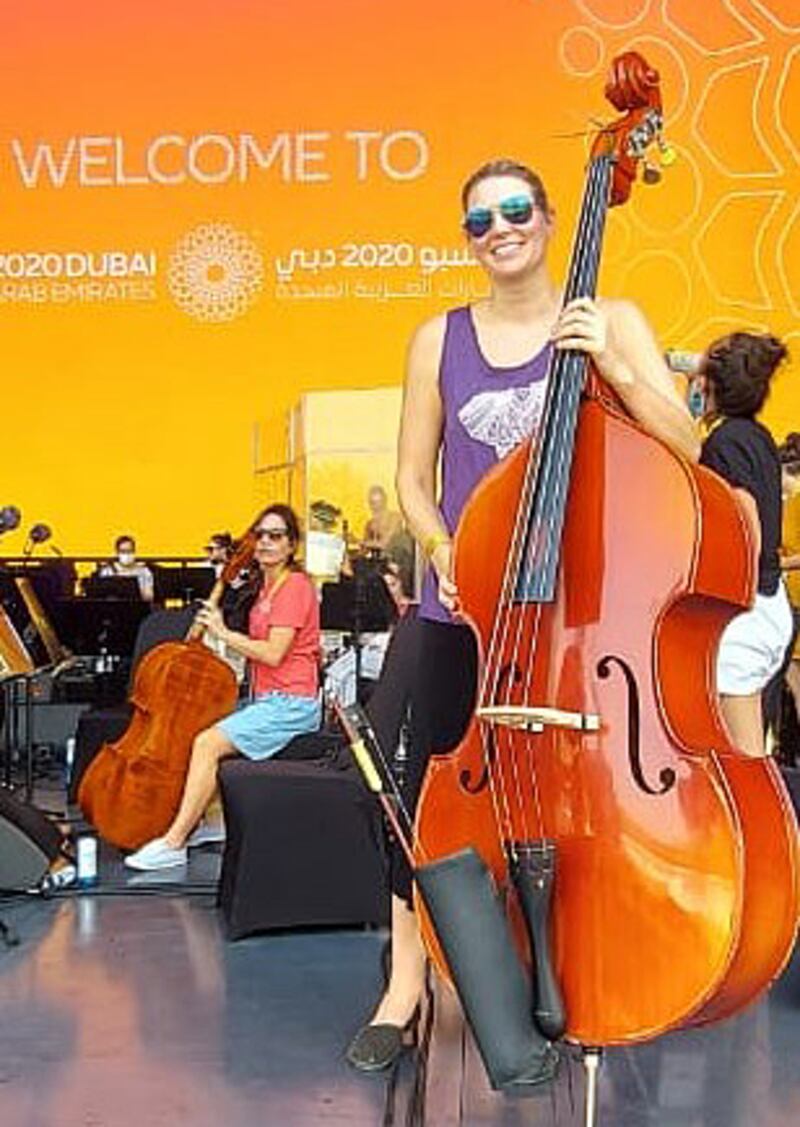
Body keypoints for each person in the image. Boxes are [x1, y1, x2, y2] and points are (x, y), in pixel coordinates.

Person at [345, 158, 699, 1072]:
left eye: (513, 211)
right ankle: (406, 986)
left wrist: (618, 364)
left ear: (547, 219)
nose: (498, 228)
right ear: (468, 237)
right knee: (421, 789)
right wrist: (442, 548)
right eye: (478, 220)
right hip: (463, 606)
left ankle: (594, 960)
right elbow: (414, 482)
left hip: (579, 611)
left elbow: (688, 445)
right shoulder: (439, 338)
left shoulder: (611, 318)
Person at [124, 503, 321, 870]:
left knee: (207, 742)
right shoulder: (265, 587)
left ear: (292, 545)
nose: (264, 543)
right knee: (197, 729)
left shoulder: (293, 587)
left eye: (275, 536)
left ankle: (174, 842)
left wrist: (223, 633)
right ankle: (212, 821)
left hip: (291, 704)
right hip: (267, 698)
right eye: (260, 535)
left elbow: (274, 653)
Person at [690, 332, 794, 759]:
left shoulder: (725, 442)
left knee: (744, 758)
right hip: (769, 607)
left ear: (710, 386)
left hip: (743, 615)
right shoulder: (757, 436)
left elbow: (744, 516)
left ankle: (765, 827)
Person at [98, 534, 154, 601]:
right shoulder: (107, 571)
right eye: (123, 551)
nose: (127, 554)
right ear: (117, 553)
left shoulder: (144, 572)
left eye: (130, 551)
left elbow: (149, 597)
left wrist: (140, 591)